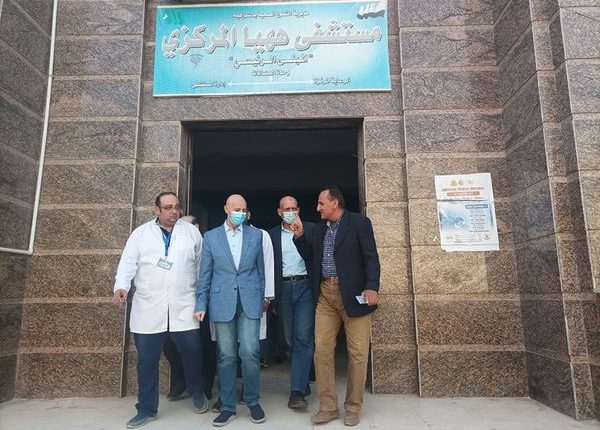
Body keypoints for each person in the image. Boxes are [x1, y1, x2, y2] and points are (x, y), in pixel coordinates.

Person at [112, 192, 209, 429]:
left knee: (192, 351)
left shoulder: (191, 232)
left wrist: (200, 299)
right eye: (168, 207)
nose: (174, 211)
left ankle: (197, 391)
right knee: (147, 360)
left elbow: (201, 267)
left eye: (177, 207)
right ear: (157, 210)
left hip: (184, 304)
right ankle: (146, 408)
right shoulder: (141, 234)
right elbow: (128, 262)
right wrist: (121, 287)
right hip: (148, 306)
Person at [291, 187, 380, 427]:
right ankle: (328, 407)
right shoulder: (320, 229)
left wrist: (372, 287)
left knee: (358, 353)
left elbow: (371, 257)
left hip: (355, 294)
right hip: (326, 296)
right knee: (321, 351)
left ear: (335, 203)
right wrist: (300, 237)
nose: (317, 208)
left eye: (321, 203)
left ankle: (353, 407)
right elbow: (311, 257)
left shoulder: (359, 223)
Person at [194, 194, 267, 427]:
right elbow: (205, 274)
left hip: (249, 300)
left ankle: (252, 400)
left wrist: (262, 298)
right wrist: (200, 304)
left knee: (251, 352)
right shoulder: (211, 237)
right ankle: (227, 406)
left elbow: (260, 272)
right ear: (226, 209)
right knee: (226, 355)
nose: (240, 213)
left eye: (244, 210)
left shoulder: (256, 235)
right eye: (236, 209)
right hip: (221, 301)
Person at [163, 215, 217, 402]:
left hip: (202, 301)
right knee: (170, 344)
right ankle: (181, 381)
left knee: (205, 345)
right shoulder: (171, 245)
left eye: (185, 224)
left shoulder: (206, 243)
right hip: (176, 303)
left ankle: (205, 386)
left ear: (196, 227)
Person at [268, 195, 315, 410]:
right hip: (284, 289)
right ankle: (302, 380)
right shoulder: (271, 235)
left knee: (303, 337)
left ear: (299, 210)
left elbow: (316, 257)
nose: (290, 212)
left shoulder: (311, 230)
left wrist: (301, 235)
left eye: (294, 208)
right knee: (289, 340)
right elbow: (268, 266)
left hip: (305, 287)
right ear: (279, 212)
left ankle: (296, 392)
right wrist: (270, 297)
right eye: (286, 209)